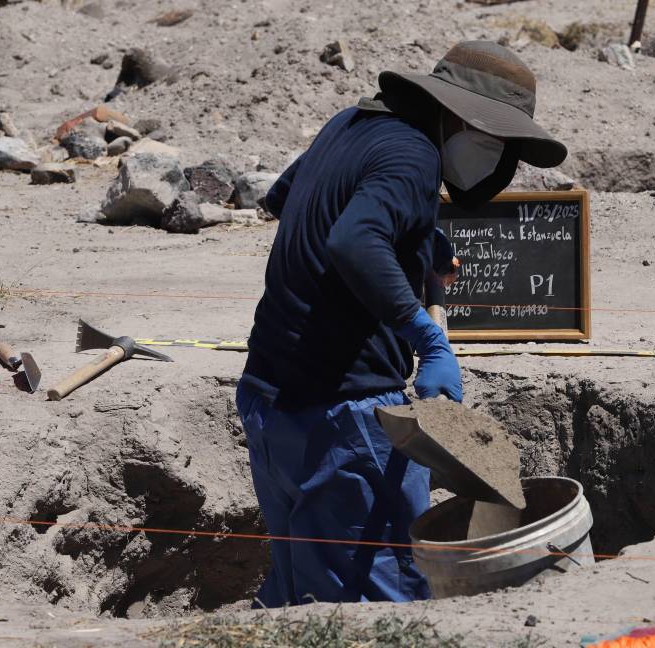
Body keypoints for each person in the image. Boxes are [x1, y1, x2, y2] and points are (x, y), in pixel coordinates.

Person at [236, 40, 568, 607]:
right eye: (494, 139)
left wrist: (413, 238)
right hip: (346, 417)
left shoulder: (349, 123)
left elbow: (288, 197)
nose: (496, 155)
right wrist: (427, 337)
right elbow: (353, 240)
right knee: (380, 606)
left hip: (270, 402)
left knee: (305, 600)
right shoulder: (414, 153)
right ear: (457, 116)